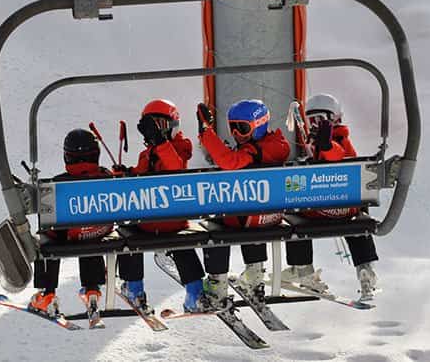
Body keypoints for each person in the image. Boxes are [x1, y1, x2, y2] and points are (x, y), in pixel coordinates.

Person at [281, 93, 379, 300]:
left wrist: (325, 147)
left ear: (335, 118)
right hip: (346, 210)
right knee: (358, 220)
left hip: (321, 212)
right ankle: (365, 268)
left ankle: (303, 268)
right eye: (312, 119)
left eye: (321, 119)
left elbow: (338, 155)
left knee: (292, 212)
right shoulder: (322, 141)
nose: (316, 124)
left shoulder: (337, 140)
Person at [114, 99, 206, 313]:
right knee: (127, 237)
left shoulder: (181, 148)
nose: (152, 132)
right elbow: (140, 175)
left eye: (158, 126)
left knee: (180, 242)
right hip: (149, 220)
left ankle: (195, 292)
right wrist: (126, 173)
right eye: (149, 127)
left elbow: (175, 168)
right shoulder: (147, 155)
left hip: (171, 221)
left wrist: (160, 142)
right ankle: (135, 289)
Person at [196, 99, 291, 305]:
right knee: (251, 211)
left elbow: (229, 162)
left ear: (259, 125)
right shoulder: (278, 145)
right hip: (272, 216)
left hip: (248, 218)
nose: (237, 134)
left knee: (216, 226)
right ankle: (254, 277)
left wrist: (206, 132)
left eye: (242, 128)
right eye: (233, 128)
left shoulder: (253, 151)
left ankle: (216, 285)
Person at [29, 128, 114, 317]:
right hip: (99, 232)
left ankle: (47, 293)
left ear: (68, 157)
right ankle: (92, 290)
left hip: (68, 236)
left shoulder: (58, 184)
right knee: (91, 237)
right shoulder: (107, 177)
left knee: (45, 239)